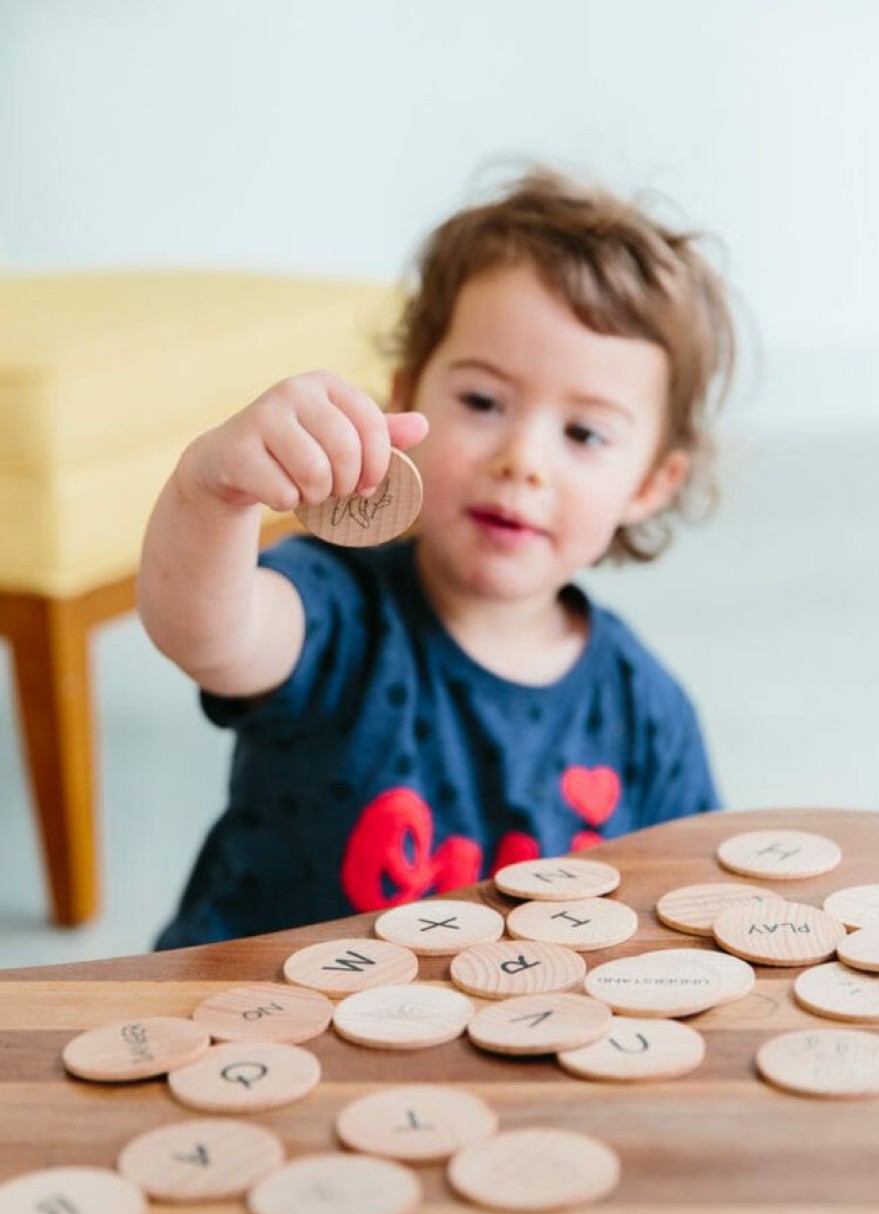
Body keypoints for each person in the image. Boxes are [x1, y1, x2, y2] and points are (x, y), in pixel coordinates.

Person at [139, 167, 736, 949]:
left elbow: (689, 909)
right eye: (483, 403)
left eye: (584, 434)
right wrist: (211, 493)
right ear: (405, 395)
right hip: (263, 1025)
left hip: (499, 1044)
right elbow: (204, 632)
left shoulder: (644, 709)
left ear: (650, 484)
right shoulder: (335, 607)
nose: (522, 460)